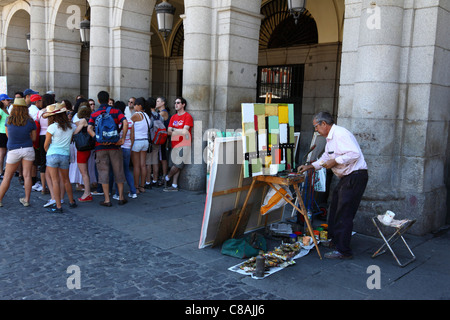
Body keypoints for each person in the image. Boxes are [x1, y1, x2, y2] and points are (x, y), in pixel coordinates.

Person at [297, 111, 368, 259]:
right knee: (335, 208)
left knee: (344, 212)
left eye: (316, 126)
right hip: (347, 177)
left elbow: (354, 153)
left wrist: (335, 161)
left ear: (324, 124)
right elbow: (325, 158)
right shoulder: (330, 139)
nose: (315, 129)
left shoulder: (340, 134)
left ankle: (343, 251)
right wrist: (310, 166)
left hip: (355, 176)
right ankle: (335, 241)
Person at [87, 90, 128, 206]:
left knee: (103, 172)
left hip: (100, 147)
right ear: (108, 99)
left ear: (98, 100)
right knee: (118, 171)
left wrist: (98, 138)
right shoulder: (116, 111)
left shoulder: (95, 114)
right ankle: (120, 197)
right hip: (115, 146)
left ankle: (107, 199)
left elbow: (89, 129)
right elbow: (125, 123)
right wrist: (123, 138)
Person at [0, 98, 36, 207]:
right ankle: (26, 200)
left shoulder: (8, 120)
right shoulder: (30, 121)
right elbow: (34, 138)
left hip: (13, 150)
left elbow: (8, 136)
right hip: (28, 149)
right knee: (27, 175)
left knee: (7, 177)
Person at [43, 102, 77, 213]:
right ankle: (71, 201)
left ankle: (58, 206)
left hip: (52, 154)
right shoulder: (71, 126)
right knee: (66, 180)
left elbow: (46, 145)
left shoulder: (52, 127)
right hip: (65, 155)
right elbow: (79, 125)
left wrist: (49, 152)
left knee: (55, 181)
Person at [163, 97, 194, 192]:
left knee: (177, 165)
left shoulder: (187, 116)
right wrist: (178, 131)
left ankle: (167, 177)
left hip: (184, 144)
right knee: (175, 165)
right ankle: (174, 185)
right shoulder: (173, 117)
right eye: (175, 103)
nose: (176, 104)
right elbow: (168, 131)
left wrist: (174, 130)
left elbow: (185, 132)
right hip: (174, 144)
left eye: (178, 103)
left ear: (183, 104)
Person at [112, 100, 137, 199]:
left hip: (118, 148)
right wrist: (130, 148)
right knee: (126, 170)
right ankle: (133, 191)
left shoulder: (115, 121)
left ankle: (118, 194)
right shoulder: (130, 121)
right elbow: (132, 136)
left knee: (118, 172)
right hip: (127, 147)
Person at [130, 97, 150, 194]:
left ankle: (136, 187)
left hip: (137, 142)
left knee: (136, 166)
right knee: (143, 165)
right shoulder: (146, 115)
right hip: (145, 141)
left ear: (139, 105)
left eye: (135, 104)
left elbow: (129, 126)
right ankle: (142, 186)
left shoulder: (136, 115)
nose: (134, 106)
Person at [74, 106, 93, 202]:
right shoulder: (90, 120)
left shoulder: (83, 121)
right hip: (87, 148)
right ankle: (87, 192)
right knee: (85, 172)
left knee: (84, 173)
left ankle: (87, 193)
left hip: (81, 149)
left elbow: (76, 132)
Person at [145, 97, 160, 188]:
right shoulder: (159, 115)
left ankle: (147, 181)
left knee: (148, 162)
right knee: (155, 161)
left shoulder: (148, 116)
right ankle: (155, 180)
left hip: (149, 140)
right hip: (157, 140)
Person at [155, 96, 170, 187]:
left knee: (163, 158)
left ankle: (164, 177)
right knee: (161, 158)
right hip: (162, 138)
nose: (156, 103)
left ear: (163, 103)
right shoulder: (161, 112)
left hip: (163, 138)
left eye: (158, 101)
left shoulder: (163, 113)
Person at [0, 94, 12, 179]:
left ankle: (5, 170)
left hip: (7, 133)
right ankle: (1, 171)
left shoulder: (7, 109)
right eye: (7, 100)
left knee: (6, 153)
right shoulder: (0, 110)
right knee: (2, 153)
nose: (9, 101)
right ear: (2, 101)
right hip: (2, 133)